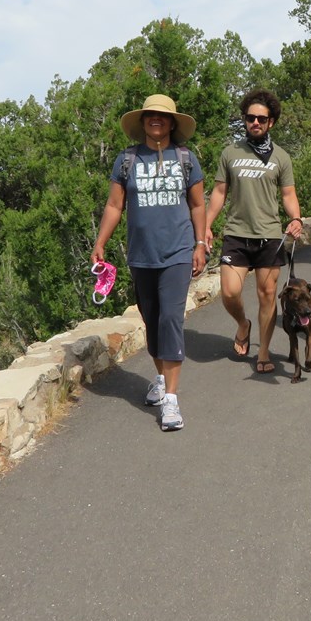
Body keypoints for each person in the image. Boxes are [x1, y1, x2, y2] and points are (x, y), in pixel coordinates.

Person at [92, 94, 207, 431]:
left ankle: (171, 400)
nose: (156, 120)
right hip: (141, 255)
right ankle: (160, 377)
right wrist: (100, 242)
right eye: (150, 116)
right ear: (142, 122)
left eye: (162, 116)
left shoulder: (186, 158)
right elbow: (115, 205)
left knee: (171, 318)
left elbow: (198, 205)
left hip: (178, 252)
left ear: (172, 122)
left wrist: (200, 243)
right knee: (152, 319)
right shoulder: (127, 160)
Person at [204, 89, 304, 375]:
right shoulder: (230, 153)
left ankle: (263, 351)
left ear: (271, 121)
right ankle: (243, 324)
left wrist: (295, 217)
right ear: (244, 120)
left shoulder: (281, 157)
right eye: (250, 118)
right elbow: (219, 193)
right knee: (229, 292)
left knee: (267, 295)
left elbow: (288, 195)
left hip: (270, 235)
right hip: (236, 233)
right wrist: (206, 226)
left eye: (262, 118)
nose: (255, 123)